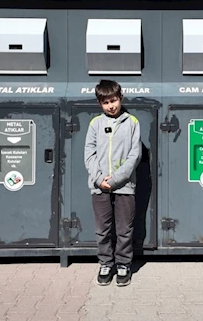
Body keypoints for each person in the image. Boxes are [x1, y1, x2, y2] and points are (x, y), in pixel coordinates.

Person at [84, 79, 142, 286]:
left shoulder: (132, 122)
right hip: (99, 187)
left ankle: (124, 265)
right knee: (103, 229)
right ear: (100, 104)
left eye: (114, 100)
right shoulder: (95, 124)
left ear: (121, 98)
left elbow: (135, 155)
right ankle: (106, 264)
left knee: (124, 229)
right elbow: (89, 155)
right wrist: (100, 179)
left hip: (125, 186)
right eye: (106, 102)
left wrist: (116, 179)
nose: (111, 105)